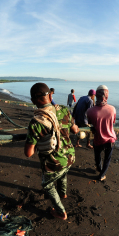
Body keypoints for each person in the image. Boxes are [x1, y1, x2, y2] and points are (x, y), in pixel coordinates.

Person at [24, 83, 78, 220]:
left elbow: (28, 153)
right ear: (50, 95)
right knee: (63, 172)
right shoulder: (64, 110)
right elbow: (74, 129)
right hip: (70, 156)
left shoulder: (36, 122)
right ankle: (63, 193)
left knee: (47, 184)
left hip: (54, 163)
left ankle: (61, 212)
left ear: (33, 101)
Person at [86, 85, 117, 181]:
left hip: (98, 138)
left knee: (97, 155)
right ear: (106, 95)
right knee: (107, 158)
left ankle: (99, 168)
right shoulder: (112, 109)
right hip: (110, 139)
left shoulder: (90, 111)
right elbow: (113, 122)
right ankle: (102, 175)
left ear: (96, 95)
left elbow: (91, 124)